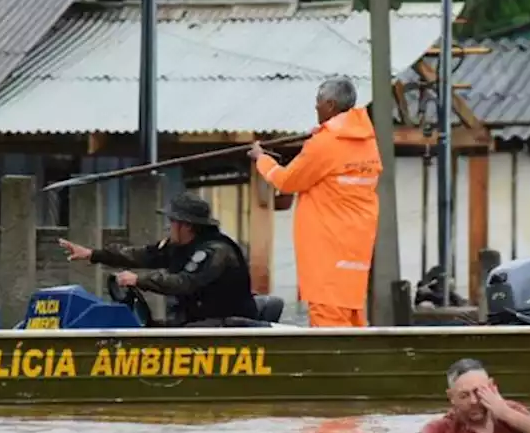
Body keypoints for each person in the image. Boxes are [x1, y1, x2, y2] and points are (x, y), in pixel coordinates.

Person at [248, 75, 380, 328]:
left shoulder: (326, 143)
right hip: (355, 248)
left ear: (330, 105)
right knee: (352, 316)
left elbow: (287, 181)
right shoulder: (366, 142)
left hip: (327, 248)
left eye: (318, 102)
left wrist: (261, 159)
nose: (315, 107)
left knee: (328, 322)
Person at [57, 192, 258, 326]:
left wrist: (138, 280)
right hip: (197, 321)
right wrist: (93, 254)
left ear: (186, 225)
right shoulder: (179, 246)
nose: (169, 227)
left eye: (172, 222)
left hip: (226, 324)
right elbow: (143, 255)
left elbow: (184, 282)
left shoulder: (215, 251)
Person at [395, 358, 530, 433]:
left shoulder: (510, 413)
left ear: (492, 387)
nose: (474, 401)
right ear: (451, 397)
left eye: (479, 392)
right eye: (464, 395)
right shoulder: (446, 427)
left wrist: (506, 414)